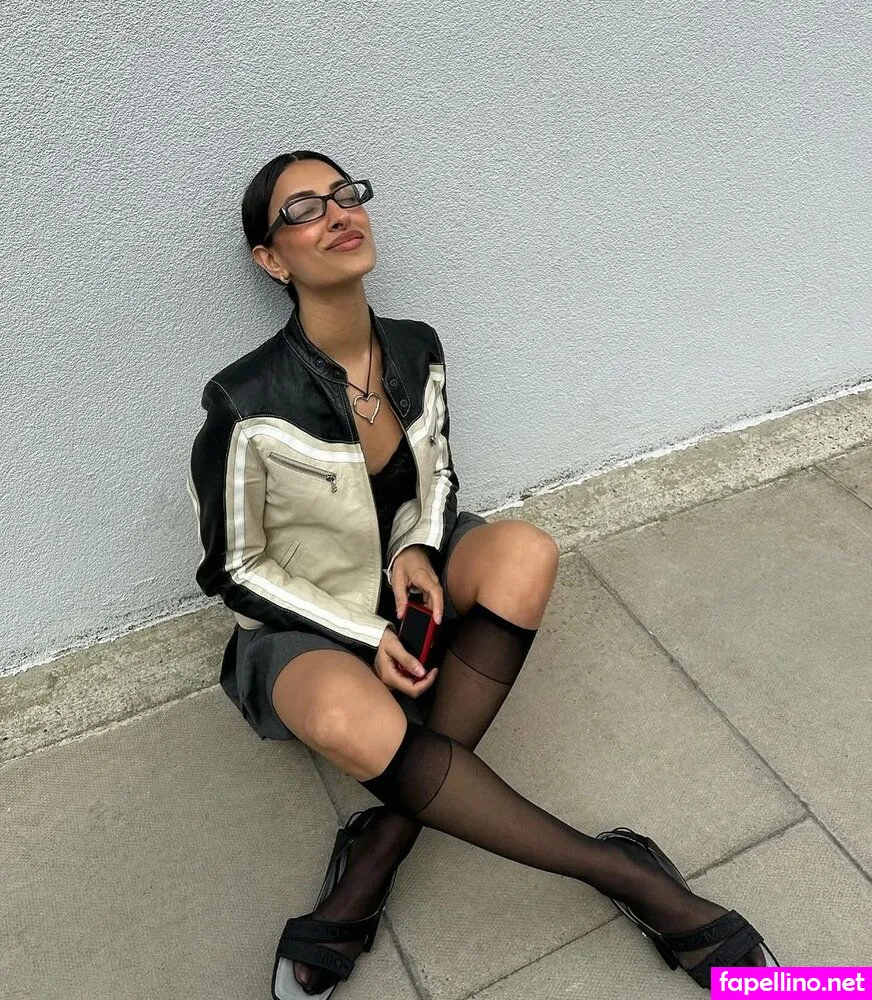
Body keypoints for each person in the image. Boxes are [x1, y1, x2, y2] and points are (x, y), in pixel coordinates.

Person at [187, 150, 775, 998]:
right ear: (271, 260)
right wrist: (369, 632)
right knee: (346, 720)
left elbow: (439, 478)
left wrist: (417, 551)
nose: (339, 213)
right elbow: (233, 567)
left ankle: (378, 848)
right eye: (304, 209)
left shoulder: (416, 347)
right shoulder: (243, 401)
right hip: (306, 621)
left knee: (525, 552)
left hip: (409, 576)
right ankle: (625, 872)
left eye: (345, 194)